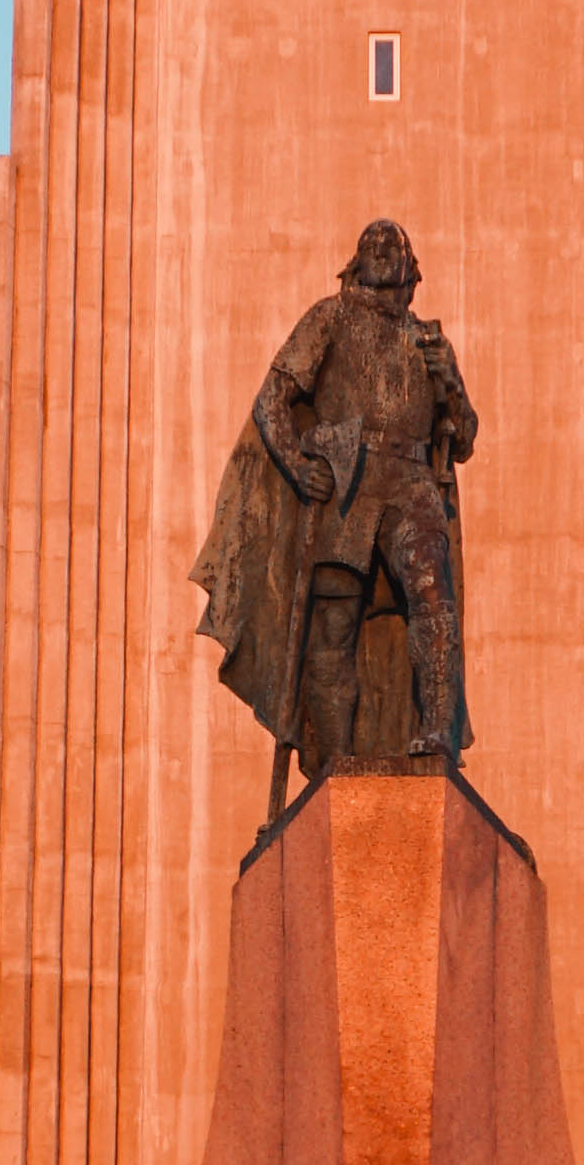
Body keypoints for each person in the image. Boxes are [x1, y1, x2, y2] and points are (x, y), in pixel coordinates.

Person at [191, 217, 481, 796]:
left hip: (411, 482)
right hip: (349, 482)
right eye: (373, 242)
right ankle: (335, 762)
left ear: (410, 269)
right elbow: (273, 399)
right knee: (335, 625)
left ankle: (436, 735)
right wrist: (299, 467)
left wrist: (451, 383)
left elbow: (466, 438)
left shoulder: (429, 341)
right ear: (356, 262)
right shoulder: (330, 316)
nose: (383, 247)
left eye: (394, 244)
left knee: (432, 596)